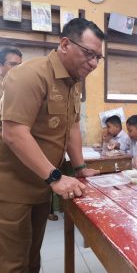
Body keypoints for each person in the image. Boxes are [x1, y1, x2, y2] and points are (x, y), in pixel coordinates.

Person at [0, 18, 105, 273]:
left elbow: (70, 126)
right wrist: (55, 175)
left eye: (98, 58)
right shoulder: (28, 75)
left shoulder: (73, 81)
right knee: (12, 263)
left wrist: (79, 167)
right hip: (12, 189)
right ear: (65, 44)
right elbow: (13, 133)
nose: (93, 63)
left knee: (32, 258)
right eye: (88, 53)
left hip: (41, 186)